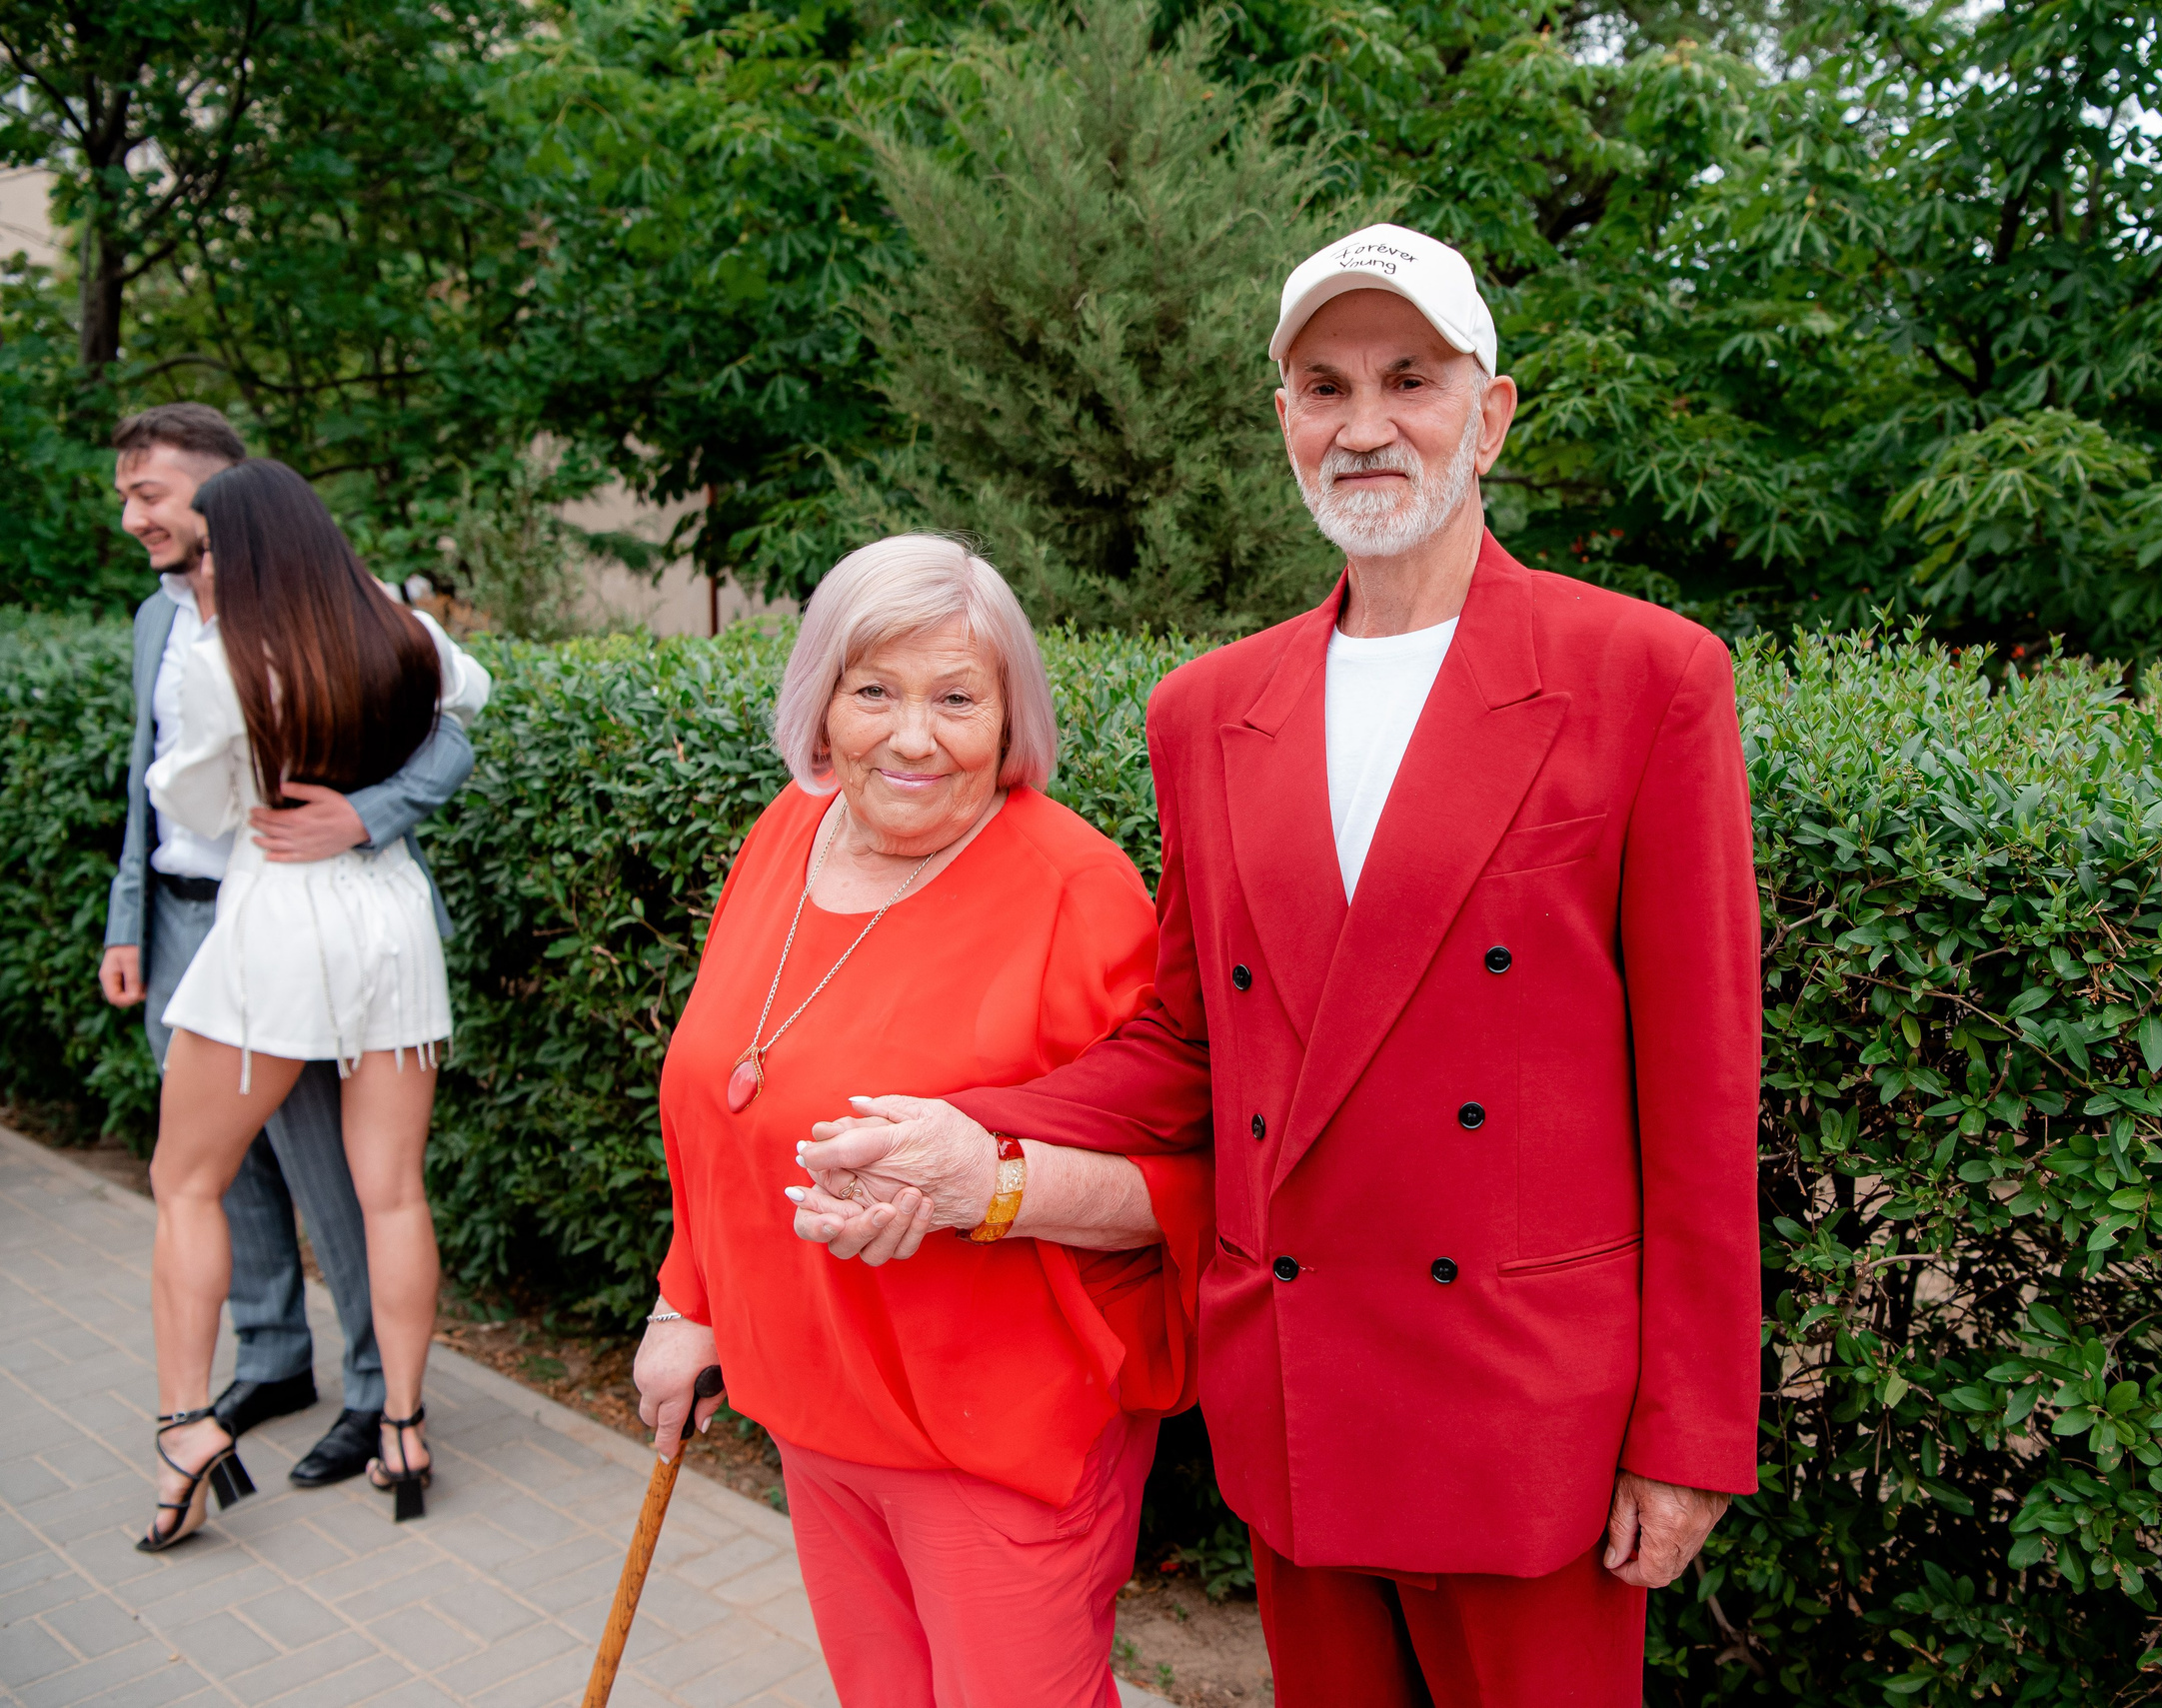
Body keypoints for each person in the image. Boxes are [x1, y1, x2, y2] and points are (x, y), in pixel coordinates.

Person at [793, 223, 1764, 1706]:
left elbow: (1700, 1098)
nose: (1365, 424)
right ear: (1286, 424)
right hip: (1302, 1386)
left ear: (1489, 415)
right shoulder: (1207, 710)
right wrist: (979, 1130)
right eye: (1325, 386)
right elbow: (1189, 1041)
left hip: (1525, 1401)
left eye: (1411, 379)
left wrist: (1687, 1437)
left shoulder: (1645, 676)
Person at [628, 535, 1212, 1708]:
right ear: (821, 701)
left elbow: (1182, 1178)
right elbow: (718, 1096)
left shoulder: (1073, 887)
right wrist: (685, 1301)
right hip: (811, 1404)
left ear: (1010, 719)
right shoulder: (786, 836)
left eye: (956, 697)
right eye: (873, 691)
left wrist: (989, 1183)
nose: (910, 736)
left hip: (997, 1436)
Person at [100, 405, 487, 1494]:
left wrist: (321, 797)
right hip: (391, 923)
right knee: (394, 1191)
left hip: (274, 920)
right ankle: (404, 1431)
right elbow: (473, 693)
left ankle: (187, 1426)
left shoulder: (221, 657)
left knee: (186, 1178)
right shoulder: (395, 628)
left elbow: (193, 791)